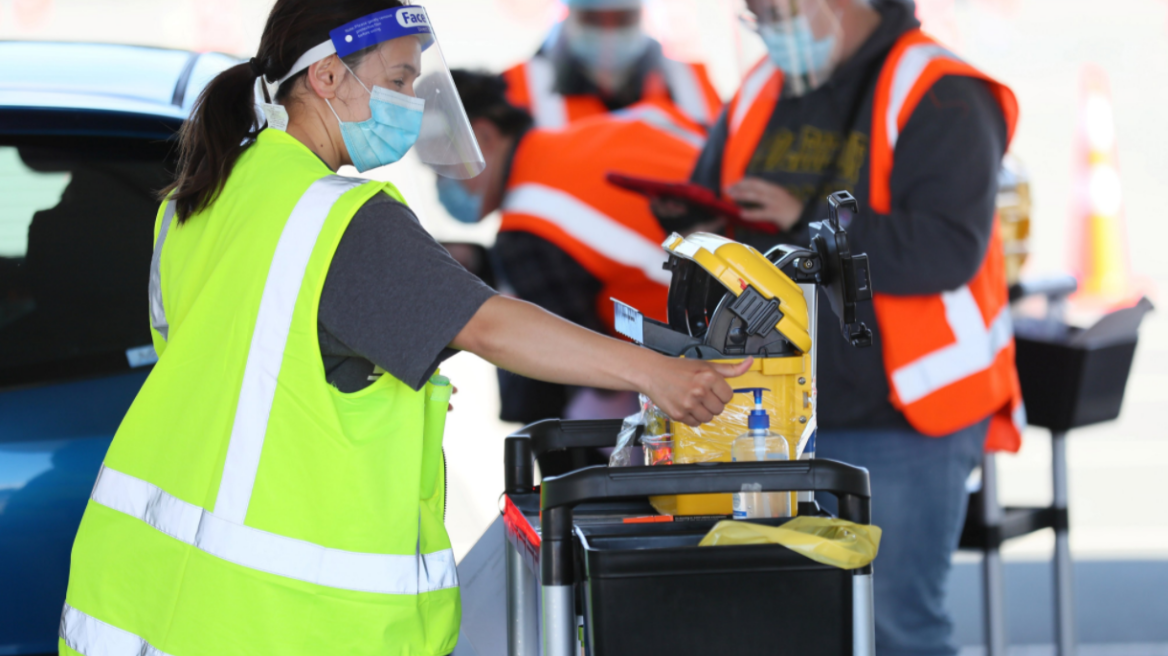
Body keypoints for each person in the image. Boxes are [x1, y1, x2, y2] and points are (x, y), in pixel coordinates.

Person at [57, 3, 752, 655]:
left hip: (141, 592)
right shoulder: (336, 217)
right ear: (327, 77)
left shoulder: (201, 201)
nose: (411, 105)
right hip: (275, 615)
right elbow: (490, 326)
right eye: (397, 80)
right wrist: (657, 374)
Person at [683, 1, 1024, 654]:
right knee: (792, 623)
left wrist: (807, 217)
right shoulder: (764, 85)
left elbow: (945, 249)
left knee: (896, 625)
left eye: (773, 10)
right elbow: (715, 190)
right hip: (778, 409)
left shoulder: (942, 91)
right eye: (755, 14)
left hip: (904, 413)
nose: (764, 24)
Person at [438, 70, 706, 423]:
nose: (441, 184)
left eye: (440, 168)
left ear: (485, 136)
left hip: (703, 363)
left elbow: (589, 365)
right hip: (771, 291)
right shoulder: (606, 128)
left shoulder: (525, 233)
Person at [502, 0, 723, 129]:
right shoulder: (518, 87)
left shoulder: (692, 83)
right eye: (593, 19)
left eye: (622, 18)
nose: (608, 34)